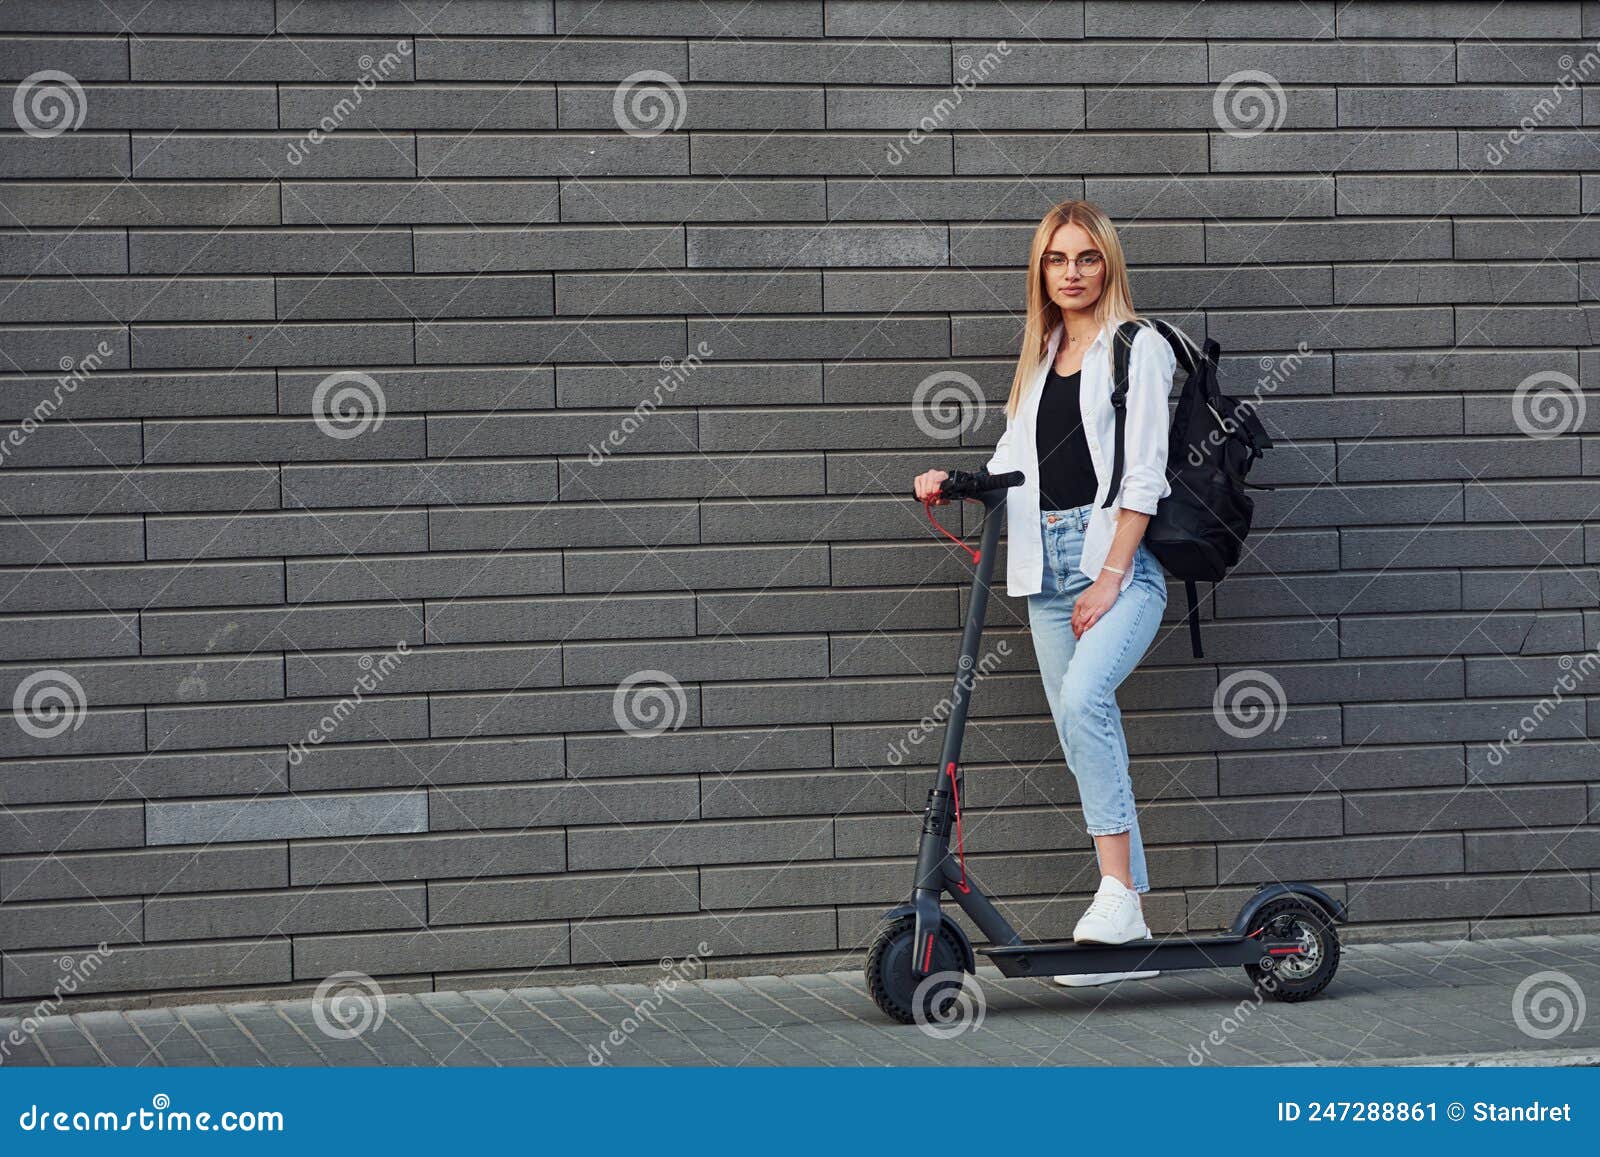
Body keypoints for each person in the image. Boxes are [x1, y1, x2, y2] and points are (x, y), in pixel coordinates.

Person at [913, 200, 1200, 988]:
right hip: (1045, 564)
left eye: (1086, 258)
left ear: (1108, 264)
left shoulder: (1136, 347)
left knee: (1083, 702)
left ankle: (1115, 896)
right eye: (1056, 259)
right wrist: (961, 480)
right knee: (1082, 730)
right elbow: (1017, 457)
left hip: (1118, 561)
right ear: (1041, 270)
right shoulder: (1041, 353)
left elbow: (1144, 471)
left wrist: (1110, 575)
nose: (1071, 273)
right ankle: (1125, 903)